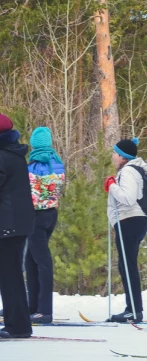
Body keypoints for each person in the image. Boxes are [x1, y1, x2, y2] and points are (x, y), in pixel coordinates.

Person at [104, 138, 147, 322]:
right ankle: (133, 309)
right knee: (126, 265)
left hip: (129, 221)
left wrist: (112, 185)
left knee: (127, 266)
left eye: (115, 153)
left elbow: (128, 198)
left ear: (122, 156)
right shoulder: (135, 170)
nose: (113, 156)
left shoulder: (129, 171)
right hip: (134, 220)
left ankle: (134, 310)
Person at [25, 127, 65, 324]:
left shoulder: (33, 166)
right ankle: (33, 306)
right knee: (31, 260)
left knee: (41, 262)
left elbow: (27, 192)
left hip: (36, 216)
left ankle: (44, 310)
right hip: (51, 214)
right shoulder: (57, 162)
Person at [0, 113, 34, 338]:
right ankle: (18, 323)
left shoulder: (3, 157)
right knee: (10, 274)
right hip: (15, 222)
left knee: (9, 275)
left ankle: (18, 326)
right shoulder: (13, 154)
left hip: (8, 223)